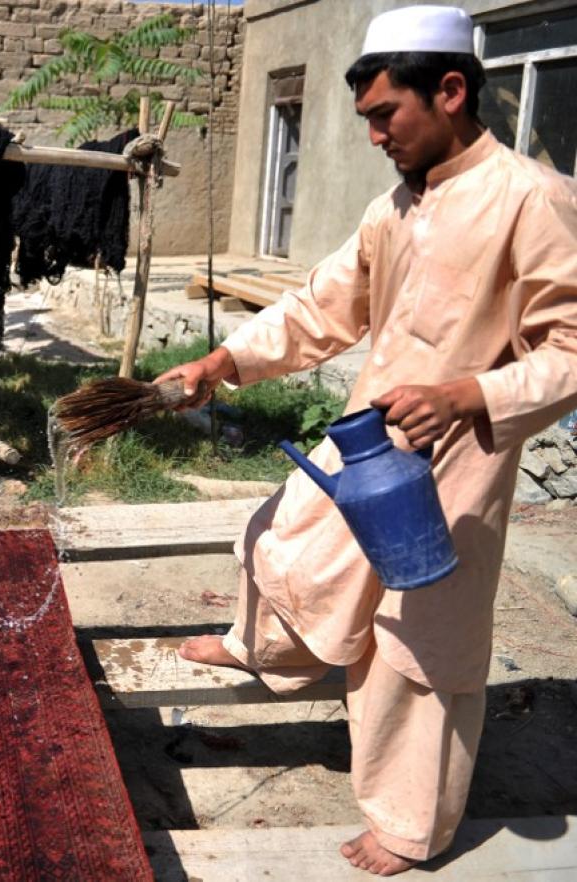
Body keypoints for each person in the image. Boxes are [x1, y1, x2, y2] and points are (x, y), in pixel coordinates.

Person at [156, 5, 577, 876]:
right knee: (279, 536)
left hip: (460, 459)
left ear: (451, 91)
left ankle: (409, 825)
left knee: (417, 643)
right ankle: (264, 649)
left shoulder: (531, 199)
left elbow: (571, 349)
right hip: (369, 436)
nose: (376, 136)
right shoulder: (396, 208)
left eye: (387, 115)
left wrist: (469, 395)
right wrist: (224, 361)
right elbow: (322, 306)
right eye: (368, 120)